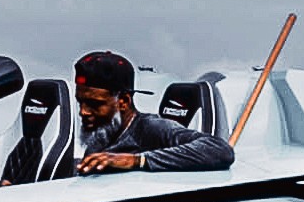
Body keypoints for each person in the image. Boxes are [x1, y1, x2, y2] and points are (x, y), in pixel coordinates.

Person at [69, 48, 231, 175]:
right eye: (80, 102)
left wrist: (137, 161)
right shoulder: (101, 135)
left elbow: (219, 150)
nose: (83, 112)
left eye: (94, 104)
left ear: (123, 101)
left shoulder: (151, 128)